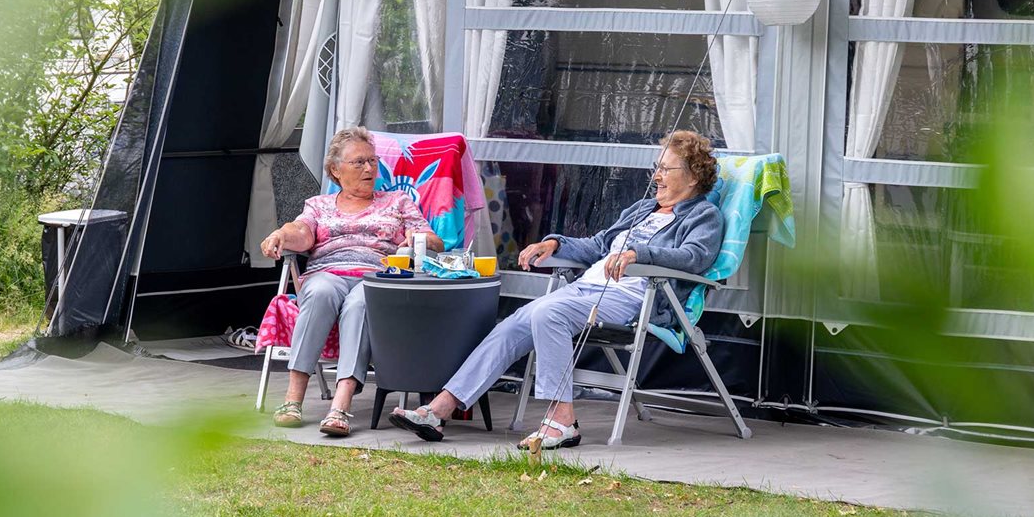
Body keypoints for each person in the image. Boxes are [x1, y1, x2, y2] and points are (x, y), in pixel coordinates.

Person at [388, 130, 723, 449]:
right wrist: (553, 243)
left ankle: (563, 420)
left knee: (549, 313)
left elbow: (695, 257)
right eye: (657, 167)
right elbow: (597, 246)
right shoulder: (641, 209)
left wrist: (639, 254)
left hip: (634, 296)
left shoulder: (704, 216)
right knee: (515, 324)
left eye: (666, 168)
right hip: (590, 288)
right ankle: (438, 410)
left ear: (693, 176)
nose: (657, 176)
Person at [260, 126, 443, 437]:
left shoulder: (397, 202)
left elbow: (435, 243)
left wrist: (418, 239)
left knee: (360, 302)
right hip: (327, 273)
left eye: (372, 161)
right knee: (318, 292)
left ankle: (340, 404)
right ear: (335, 169)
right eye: (359, 162)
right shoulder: (318, 205)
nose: (369, 168)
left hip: (375, 277)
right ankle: (293, 399)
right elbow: (301, 233)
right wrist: (279, 234)